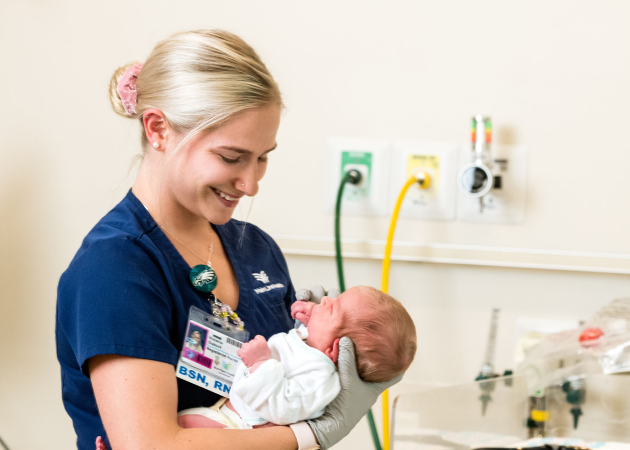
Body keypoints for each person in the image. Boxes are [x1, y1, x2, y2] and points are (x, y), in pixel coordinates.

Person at [56, 29, 399, 450]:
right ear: (158, 128)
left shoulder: (255, 250)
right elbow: (150, 445)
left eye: (263, 157)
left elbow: (277, 401)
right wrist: (309, 436)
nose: (251, 183)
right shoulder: (115, 268)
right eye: (231, 157)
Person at [176, 286, 417, 429]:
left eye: (332, 307)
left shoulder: (320, 379)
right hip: (229, 411)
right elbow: (304, 340)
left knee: (182, 430)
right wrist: (309, 318)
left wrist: (260, 365)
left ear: (335, 350)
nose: (325, 299)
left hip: (242, 429)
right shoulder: (312, 345)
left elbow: (283, 407)